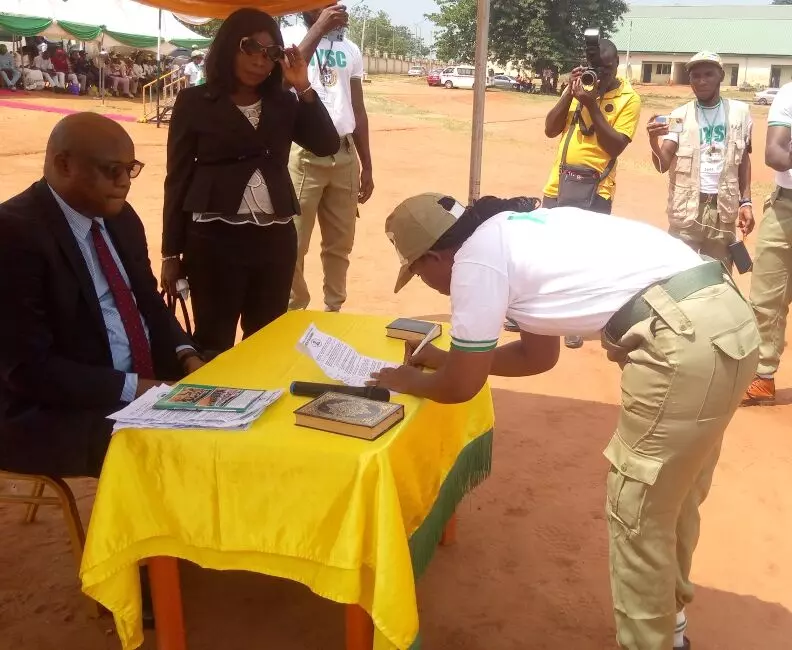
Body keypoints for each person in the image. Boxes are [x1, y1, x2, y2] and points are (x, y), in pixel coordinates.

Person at [371, 194, 759, 650]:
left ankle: (648, 642)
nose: (426, 282)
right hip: (725, 319)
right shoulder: (516, 230)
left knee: (636, 510)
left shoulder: (474, 263)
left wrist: (405, 380)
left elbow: (461, 388)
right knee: (673, 494)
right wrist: (443, 359)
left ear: (435, 256)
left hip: (682, 340)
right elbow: (538, 356)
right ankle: (668, 629)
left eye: (418, 271)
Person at [0, 113, 202, 479]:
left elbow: (149, 302)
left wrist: (186, 355)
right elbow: (28, 371)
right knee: (177, 448)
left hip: (142, 380)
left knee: (242, 389)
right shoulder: (13, 234)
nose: (125, 183)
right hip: (52, 408)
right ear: (64, 165)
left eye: (131, 169)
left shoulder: (121, 218)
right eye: (112, 170)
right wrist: (139, 389)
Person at [161, 8, 339, 356]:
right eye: (250, 48)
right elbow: (177, 178)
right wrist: (171, 252)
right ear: (229, 46)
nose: (260, 61)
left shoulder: (284, 102)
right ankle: (214, 410)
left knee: (266, 341)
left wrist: (303, 85)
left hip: (275, 241)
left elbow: (326, 143)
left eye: (271, 53)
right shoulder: (194, 102)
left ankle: (256, 409)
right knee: (214, 340)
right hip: (213, 240)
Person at [537, 37, 641, 349]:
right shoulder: (579, 87)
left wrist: (592, 105)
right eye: (595, 68)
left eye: (606, 69)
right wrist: (569, 93)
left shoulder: (629, 100)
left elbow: (615, 145)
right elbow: (550, 128)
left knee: (584, 258)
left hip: (596, 190)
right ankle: (542, 314)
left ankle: (576, 323)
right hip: (557, 185)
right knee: (550, 253)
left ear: (617, 66)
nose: (601, 74)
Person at [282, 3, 374, 313]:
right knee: (292, 243)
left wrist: (367, 165)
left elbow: (357, 108)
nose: (336, 7)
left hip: (344, 153)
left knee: (340, 244)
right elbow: (284, 81)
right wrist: (318, 28)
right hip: (304, 154)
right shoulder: (290, 36)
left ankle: (333, 310)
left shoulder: (350, 48)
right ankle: (295, 311)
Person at [647, 52, 754, 269]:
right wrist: (652, 141)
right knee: (677, 274)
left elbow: (743, 160)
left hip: (723, 210)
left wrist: (746, 202)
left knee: (718, 275)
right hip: (686, 210)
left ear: (721, 76)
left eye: (708, 74)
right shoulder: (679, 116)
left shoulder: (740, 113)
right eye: (695, 76)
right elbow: (662, 165)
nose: (702, 81)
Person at [742, 81, 792, 406]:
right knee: (766, 295)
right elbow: (775, 155)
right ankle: (762, 377)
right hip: (786, 205)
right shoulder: (789, 94)